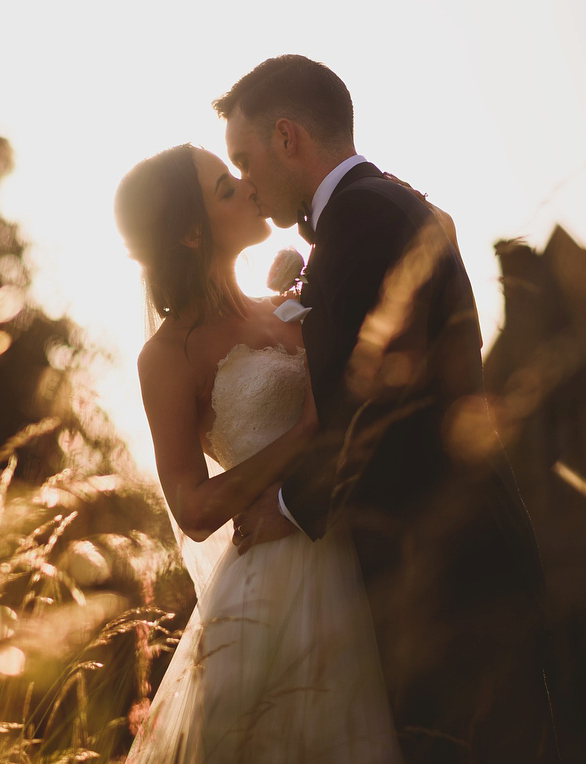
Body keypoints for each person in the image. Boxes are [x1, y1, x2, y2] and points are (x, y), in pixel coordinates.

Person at [215, 55, 556, 762]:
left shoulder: (364, 218)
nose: (246, 182)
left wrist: (289, 505)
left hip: (451, 576)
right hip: (460, 560)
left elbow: (380, 397)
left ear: (288, 138)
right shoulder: (377, 210)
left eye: (245, 159)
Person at [116, 144, 403, 762]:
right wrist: (304, 432)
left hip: (363, 542)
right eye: (225, 187)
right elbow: (193, 511)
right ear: (191, 233)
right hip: (273, 584)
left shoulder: (294, 307)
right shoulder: (168, 356)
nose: (248, 185)